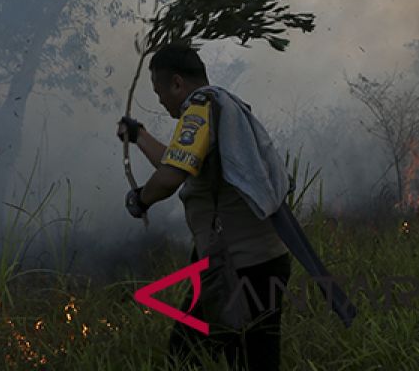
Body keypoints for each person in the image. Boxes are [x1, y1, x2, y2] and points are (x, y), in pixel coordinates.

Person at [116, 43, 292, 371]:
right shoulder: (221, 107)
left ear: (178, 84)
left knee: (187, 356)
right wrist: (139, 135)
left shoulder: (200, 108)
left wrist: (140, 200)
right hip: (258, 259)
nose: (161, 100)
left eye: (159, 92)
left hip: (239, 267)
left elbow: (170, 177)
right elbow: (178, 162)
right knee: (247, 357)